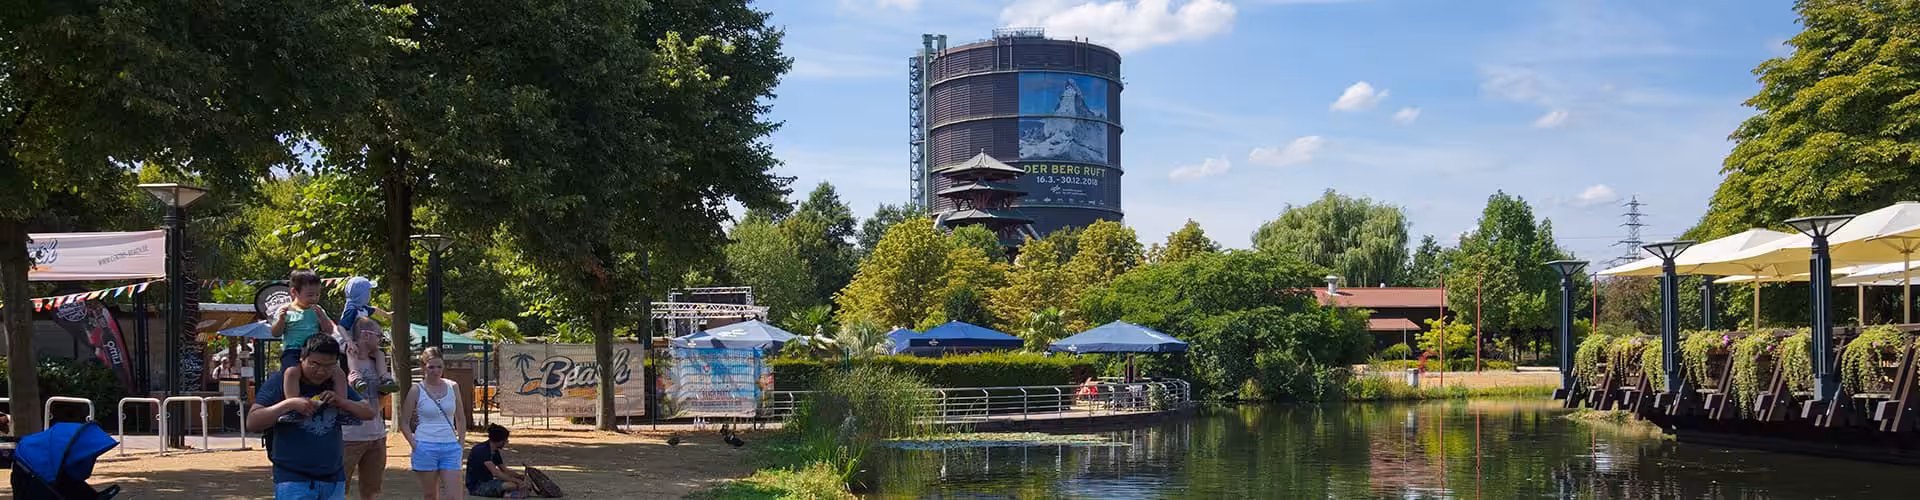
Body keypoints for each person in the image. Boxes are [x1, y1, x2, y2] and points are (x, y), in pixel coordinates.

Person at [246, 334, 375, 500]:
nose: (321, 371)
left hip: (334, 478)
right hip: (293, 479)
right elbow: (252, 421)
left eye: (329, 366)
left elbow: (369, 412)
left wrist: (342, 402)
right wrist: (290, 404)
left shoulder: (335, 382)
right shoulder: (281, 381)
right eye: (315, 364)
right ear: (302, 358)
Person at [273, 270, 348, 422]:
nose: (314, 299)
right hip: (293, 351)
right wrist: (280, 320)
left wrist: (322, 318)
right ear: (294, 292)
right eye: (310, 295)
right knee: (292, 372)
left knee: (339, 373)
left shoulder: (317, 311)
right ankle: (293, 408)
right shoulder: (286, 311)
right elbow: (276, 333)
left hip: (315, 351)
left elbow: (329, 330)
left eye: (317, 295)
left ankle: (342, 408)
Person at [400, 347, 468, 500]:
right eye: (431, 367)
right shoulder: (416, 390)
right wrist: (415, 445)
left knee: (454, 496)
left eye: (439, 366)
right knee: (431, 494)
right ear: (423, 366)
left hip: (450, 446)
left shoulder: (453, 386)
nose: (436, 371)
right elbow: (404, 422)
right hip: (425, 445)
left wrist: (461, 443)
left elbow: (460, 417)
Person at [334, 277, 397, 395]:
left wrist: (387, 315)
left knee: (379, 353)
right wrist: (349, 341)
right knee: (351, 352)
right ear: (361, 294)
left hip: (363, 341)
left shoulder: (362, 308)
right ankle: (355, 377)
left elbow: (375, 309)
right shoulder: (351, 310)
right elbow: (340, 327)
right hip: (351, 341)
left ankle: (384, 378)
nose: (369, 295)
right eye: (368, 292)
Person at [466, 424, 534, 498]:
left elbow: (505, 471)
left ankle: (508, 493)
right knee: (512, 485)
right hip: (477, 486)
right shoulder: (482, 450)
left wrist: (520, 477)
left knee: (515, 484)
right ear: (500, 440)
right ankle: (510, 493)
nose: (506, 442)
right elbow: (496, 473)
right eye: (505, 440)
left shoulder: (494, 451)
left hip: (489, 482)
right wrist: (517, 481)